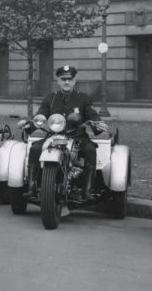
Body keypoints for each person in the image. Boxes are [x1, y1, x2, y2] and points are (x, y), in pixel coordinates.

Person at [24, 65, 106, 203]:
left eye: (70, 79)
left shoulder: (83, 99)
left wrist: (97, 123)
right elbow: (41, 115)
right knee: (35, 148)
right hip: (53, 137)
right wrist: (31, 124)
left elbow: (91, 114)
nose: (66, 82)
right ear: (58, 81)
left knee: (90, 150)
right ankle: (31, 187)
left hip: (77, 137)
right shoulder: (50, 98)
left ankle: (87, 190)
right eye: (63, 79)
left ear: (74, 81)